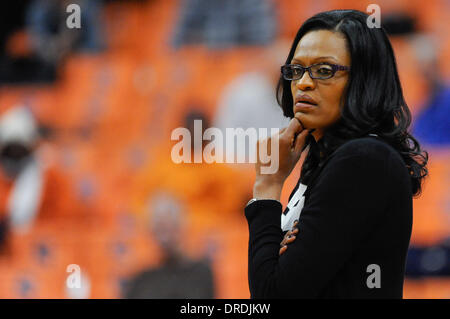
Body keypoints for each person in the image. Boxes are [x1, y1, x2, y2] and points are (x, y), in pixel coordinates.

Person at [245, 10, 428, 298]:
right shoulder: (326, 160)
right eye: (296, 70)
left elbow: (271, 294)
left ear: (365, 80)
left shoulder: (363, 158)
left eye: (324, 70)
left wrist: (266, 189)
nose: (303, 83)